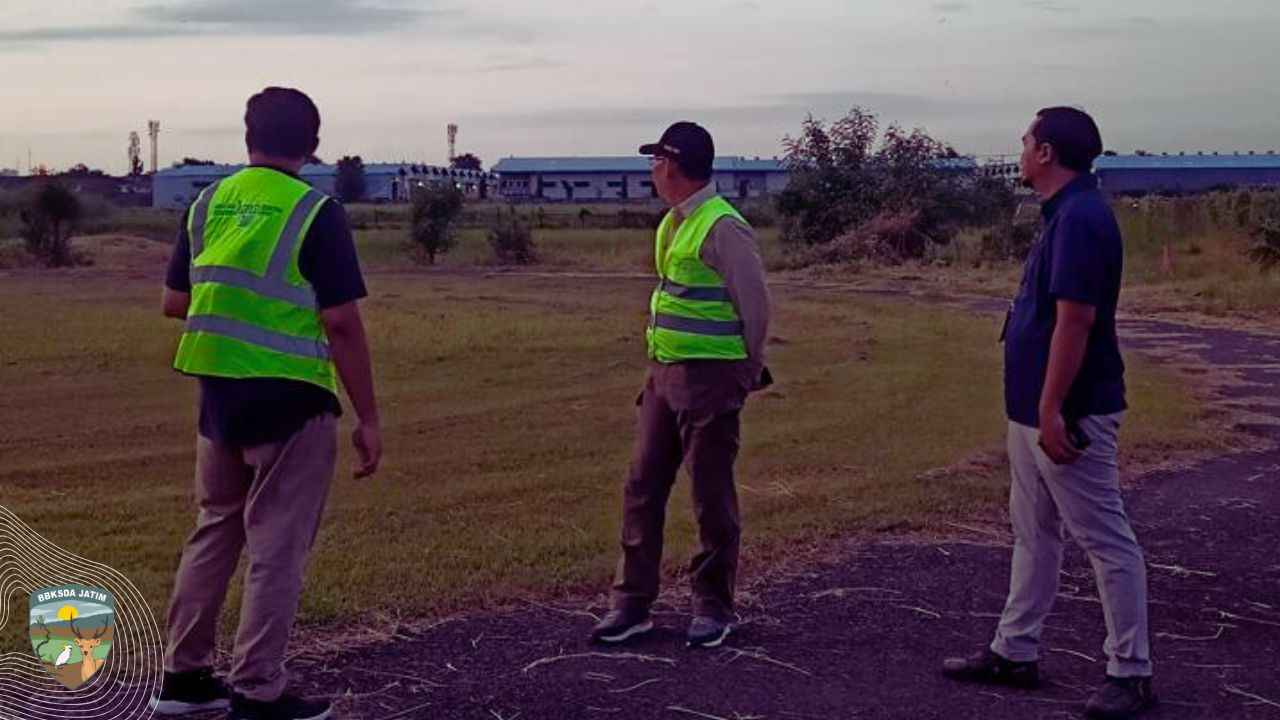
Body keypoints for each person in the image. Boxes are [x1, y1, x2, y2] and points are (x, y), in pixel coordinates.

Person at [151, 87, 381, 720]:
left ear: (248, 136)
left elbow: (175, 302)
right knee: (277, 547)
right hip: (292, 399)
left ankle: (184, 680)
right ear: (312, 144)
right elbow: (341, 323)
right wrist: (369, 418)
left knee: (214, 529)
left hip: (218, 394)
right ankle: (257, 689)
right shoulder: (316, 212)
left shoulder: (207, 204)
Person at [942, 107, 1155, 720]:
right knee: (1034, 534)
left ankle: (1131, 671)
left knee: (1104, 539)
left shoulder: (1081, 219)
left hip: (1069, 412)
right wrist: (1035, 407)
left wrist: (1052, 406)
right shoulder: (1062, 213)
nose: (1020, 150)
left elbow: (1076, 320)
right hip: (1035, 411)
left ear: (1046, 152)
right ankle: (1015, 650)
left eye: (1026, 141)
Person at [591, 121, 771, 649]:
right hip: (664, 376)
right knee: (642, 485)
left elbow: (755, 307)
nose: (652, 170)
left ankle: (713, 607)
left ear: (671, 165)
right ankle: (631, 604)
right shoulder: (675, 223)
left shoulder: (723, 227)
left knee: (710, 495)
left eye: (655, 161)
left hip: (710, 379)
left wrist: (743, 372)